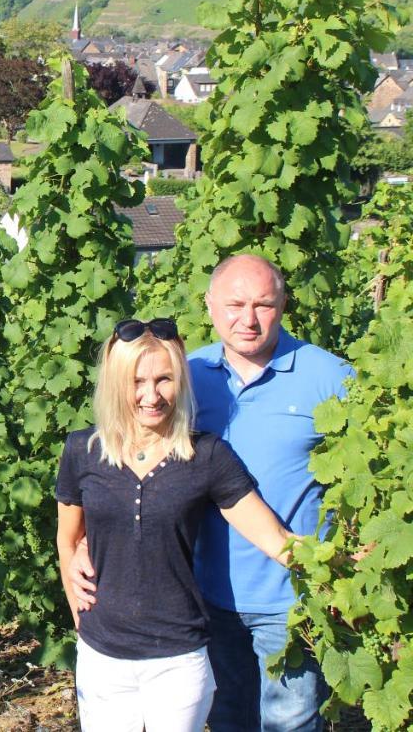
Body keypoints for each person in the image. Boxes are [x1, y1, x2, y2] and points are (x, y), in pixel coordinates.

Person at [67, 255, 352, 731]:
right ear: (210, 304)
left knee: (292, 721)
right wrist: (82, 542)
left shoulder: (332, 378)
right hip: (203, 597)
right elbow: (114, 467)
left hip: (291, 597)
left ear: (283, 305)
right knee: (227, 721)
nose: (248, 318)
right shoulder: (181, 375)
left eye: (263, 304)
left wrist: (342, 567)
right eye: (235, 303)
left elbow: (364, 474)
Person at [56, 317, 297, 731]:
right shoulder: (82, 450)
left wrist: (338, 563)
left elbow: (274, 538)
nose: (152, 396)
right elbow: (68, 539)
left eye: (164, 380)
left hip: (178, 658)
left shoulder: (206, 456)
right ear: (116, 384)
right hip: (103, 658)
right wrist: (83, 617)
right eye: (137, 382)